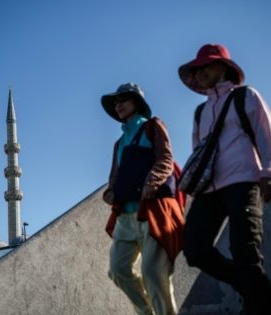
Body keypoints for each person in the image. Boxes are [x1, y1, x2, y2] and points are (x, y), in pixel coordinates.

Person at [178, 44, 271, 315]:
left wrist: (268, 174)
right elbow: (198, 151)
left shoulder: (246, 96)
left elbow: (266, 137)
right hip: (209, 191)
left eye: (206, 65)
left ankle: (257, 303)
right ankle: (254, 290)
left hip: (244, 181)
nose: (201, 72)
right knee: (194, 250)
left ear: (222, 67)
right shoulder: (200, 112)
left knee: (247, 254)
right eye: (197, 69)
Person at [101, 83, 184, 315]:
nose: (118, 106)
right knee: (117, 270)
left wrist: (151, 183)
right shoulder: (118, 143)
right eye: (115, 103)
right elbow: (114, 177)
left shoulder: (153, 126)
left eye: (123, 100)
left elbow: (166, 159)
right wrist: (109, 194)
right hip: (125, 217)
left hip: (152, 212)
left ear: (136, 102)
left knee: (154, 274)